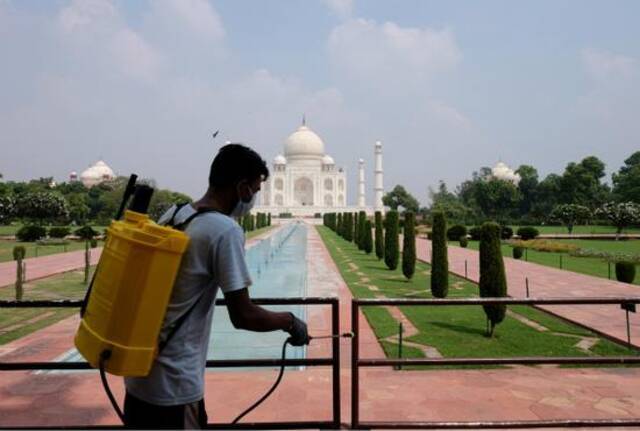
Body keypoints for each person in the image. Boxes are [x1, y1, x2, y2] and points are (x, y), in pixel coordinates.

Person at [123, 144, 309, 429]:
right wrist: (290, 321)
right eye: (255, 191)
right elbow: (243, 315)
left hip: (139, 377)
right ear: (242, 188)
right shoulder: (223, 230)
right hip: (174, 386)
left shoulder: (176, 215)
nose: (254, 199)